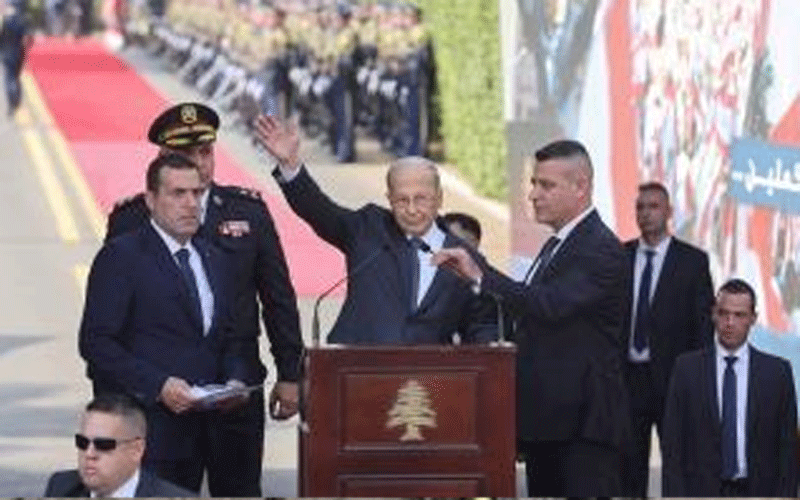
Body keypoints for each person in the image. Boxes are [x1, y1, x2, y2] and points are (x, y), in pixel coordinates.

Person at [106, 102, 303, 496]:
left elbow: (278, 298)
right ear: (163, 157)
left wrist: (290, 374)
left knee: (239, 490)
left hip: (236, 389)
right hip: (163, 397)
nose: (199, 162)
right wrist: (117, 400)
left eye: (205, 151)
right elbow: (114, 320)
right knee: (165, 492)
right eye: (186, 154)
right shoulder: (131, 219)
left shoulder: (248, 213)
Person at [431, 139, 630, 496]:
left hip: (582, 430)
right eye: (534, 183)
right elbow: (529, 311)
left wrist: (480, 273)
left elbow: (549, 305)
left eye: (546, 185)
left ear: (580, 186)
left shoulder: (601, 248)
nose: (534, 194)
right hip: (549, 424)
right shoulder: (558, 243)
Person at [80, 152, 248, 493]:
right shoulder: (122, 257)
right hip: (149, 434)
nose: (191, 204)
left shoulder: (215, 259)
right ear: (151, 200)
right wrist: (159, 386)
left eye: (197, 193)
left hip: (207, 434)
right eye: (178, 193)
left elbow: (230, 337)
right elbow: (96, 343)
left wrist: (235, 381)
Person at [255, 114, 497, 344]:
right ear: (389, 199)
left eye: (421, 199)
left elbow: (483, 323)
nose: (412, 209)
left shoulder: (463, 256)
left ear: (439, 198)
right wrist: (290, 164)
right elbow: (319, 210)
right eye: (402, 200)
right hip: (357, 367)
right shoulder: (368, 228)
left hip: (430, 373)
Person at [661, 278, 799, 497]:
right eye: (723, 313)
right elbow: (673, 444)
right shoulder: (686, 369)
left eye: (739, 315)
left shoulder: (777, 373)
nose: (730, 322)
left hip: (759, 492)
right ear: (713, 315)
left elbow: (788, 448)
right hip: (701, 492)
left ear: (753, 319)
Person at [622, 181, 715, 496]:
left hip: (674, 379)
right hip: (628, 378)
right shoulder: (620, 256)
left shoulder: (692, 262)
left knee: (678, 463)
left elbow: (703, 328)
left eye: (654, 206)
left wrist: (698, 380)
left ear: (669, 212)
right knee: (629, 465)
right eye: (640, 207)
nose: (646, 213)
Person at [44, 393, 196, 497]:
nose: (89, 454)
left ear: (136, 450)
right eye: (82, 442)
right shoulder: (61, 487)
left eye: (103, 445)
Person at [0, 0, 31, 116]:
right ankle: (17, 100)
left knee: (9, 77)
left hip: (6, 51)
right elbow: (26, 38)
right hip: (17, 51)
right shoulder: (20, 20)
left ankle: (12, 102)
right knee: (16, 76)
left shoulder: (4, 21)